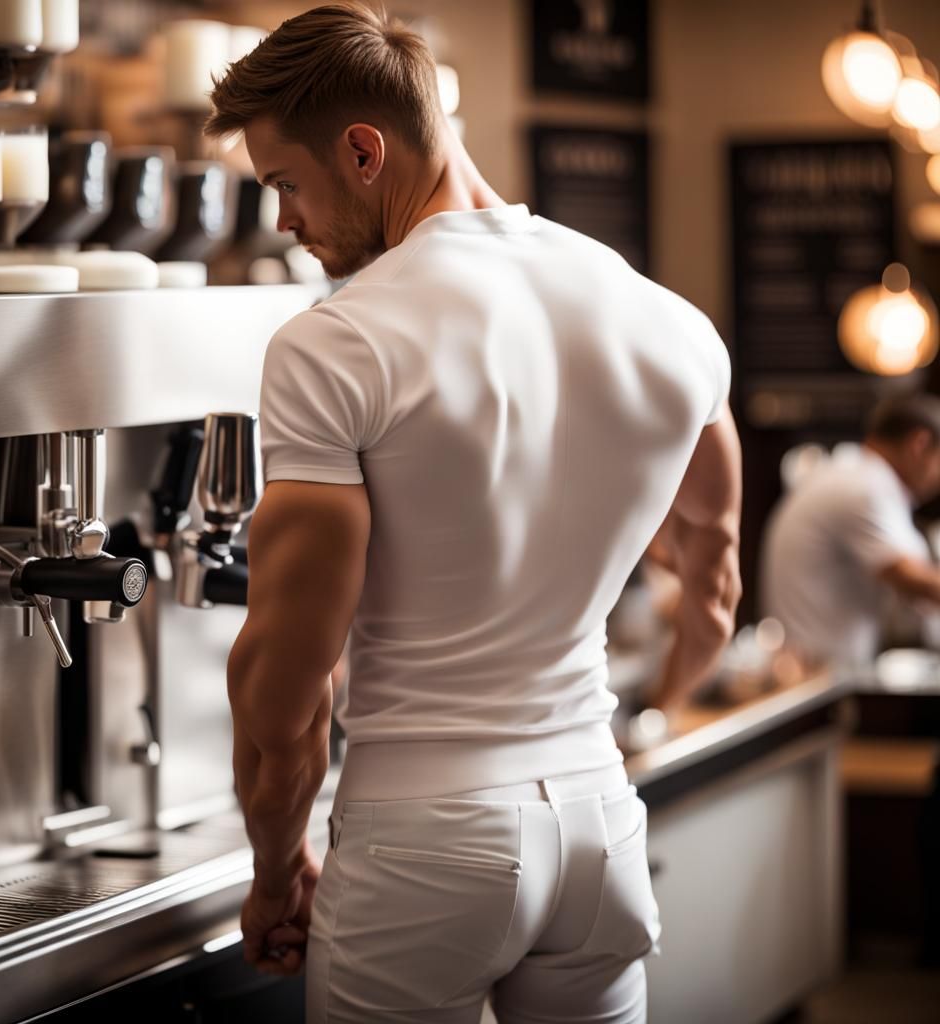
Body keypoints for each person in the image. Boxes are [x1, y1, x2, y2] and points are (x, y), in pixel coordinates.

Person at [205, 5, 741, 1021]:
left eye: (285, 184)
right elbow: (712, 594)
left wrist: (278, 869)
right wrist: (646, 717)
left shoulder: (336, 345)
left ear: (362, 150)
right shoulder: (674, 327)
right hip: (599, 824)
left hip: (424, 842)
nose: (284, 222)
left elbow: (284, 687)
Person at [761, 393, 940, 672]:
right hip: (820, 676)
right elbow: (917, 581)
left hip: (809, 668)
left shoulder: (848, 473)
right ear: (920, 444)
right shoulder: (867, 485)